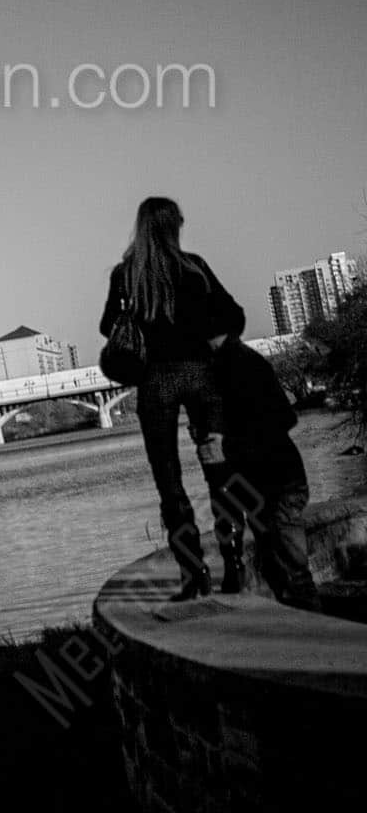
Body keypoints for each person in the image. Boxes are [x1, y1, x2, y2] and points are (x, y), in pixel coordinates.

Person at [100, 197, 246, 600]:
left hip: (155, 382)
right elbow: (234, 316)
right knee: (220, 473)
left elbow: (106, 326)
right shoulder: (194, 267)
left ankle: (192, 573)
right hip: (202, 374)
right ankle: (233, 565)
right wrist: (208, 334)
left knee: (169, 481)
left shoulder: (125, 275)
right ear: (174, 226)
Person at [211, 340, 321, 610]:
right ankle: (306, 628)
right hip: (268, 481)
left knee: (290, 567)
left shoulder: (239, 366)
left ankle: (317, 632)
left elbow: (281, 420)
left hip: (278, 481)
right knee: (277, 564)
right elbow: (284, 419)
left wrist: (226, 444)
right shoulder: (238, 363)